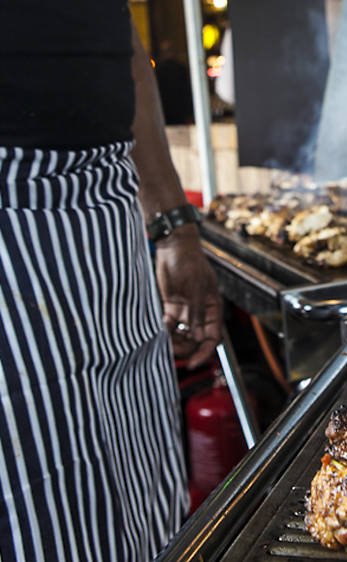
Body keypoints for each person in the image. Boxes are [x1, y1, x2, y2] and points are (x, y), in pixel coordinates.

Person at [0, 1, 221, 560]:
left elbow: (117, 36)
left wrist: (175, 230)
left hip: (109, 202)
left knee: (148, 497)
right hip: (10, 217)